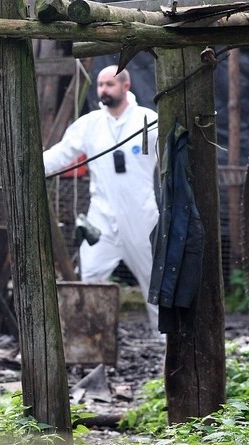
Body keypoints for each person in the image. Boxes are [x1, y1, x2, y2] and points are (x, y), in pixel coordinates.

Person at [43, 65, 159, 330]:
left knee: (155, 281)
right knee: (90, 279)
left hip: (141, 218)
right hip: (102, 220)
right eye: (100, 85)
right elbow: (62, 154)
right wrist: (30, 164)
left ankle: (166, 345)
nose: (103, 90)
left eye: (109, 84)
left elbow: (169, 158)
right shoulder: (90, 124)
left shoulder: (148, 121)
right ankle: (88, 345)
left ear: (126, 86)